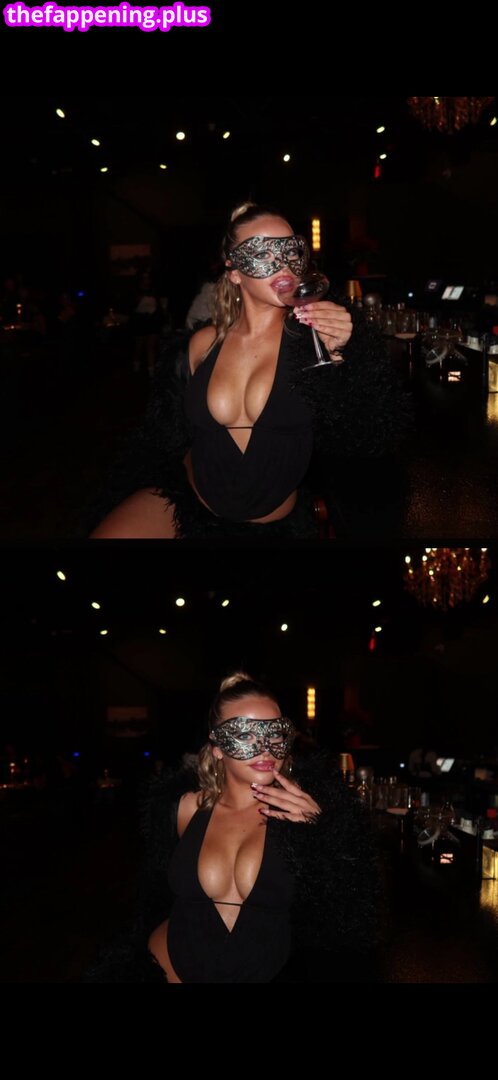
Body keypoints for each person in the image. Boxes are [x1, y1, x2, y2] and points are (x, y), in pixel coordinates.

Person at [90, 203, 411, 539]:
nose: (283, 264)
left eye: (291, 251)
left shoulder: (318, 340)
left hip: (271, 528)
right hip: (188, 502)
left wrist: (348, 357)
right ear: (234, 272)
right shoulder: (202, 343)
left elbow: (367, 437)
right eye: (263, 253)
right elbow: (165, 434)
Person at [84, 672, 381, 983]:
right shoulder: (185, 808)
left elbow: (352, 916)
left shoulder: (305, 813)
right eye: (244, 734)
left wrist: (326, 833)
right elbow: (153, 896)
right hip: (170, 968)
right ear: (217, 747)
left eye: (275, 734)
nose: (265, 748)